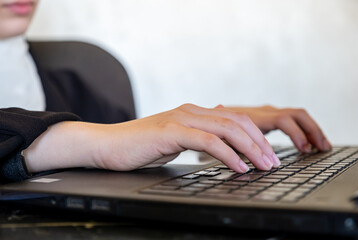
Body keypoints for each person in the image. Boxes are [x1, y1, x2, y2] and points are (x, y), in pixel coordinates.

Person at [0, 0, 332, 182]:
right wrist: (94, 144)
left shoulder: (77, 82)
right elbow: (105, 143)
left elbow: (124, 146)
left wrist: (206, 135)